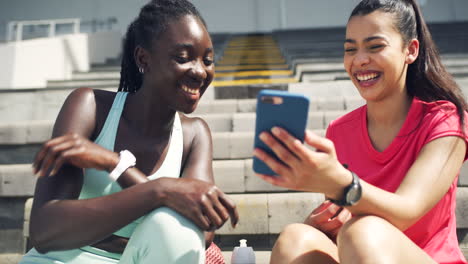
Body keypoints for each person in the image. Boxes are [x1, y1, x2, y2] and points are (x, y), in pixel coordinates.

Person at [19, 0, 238, 263]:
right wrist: (163, 192)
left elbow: (200, 230)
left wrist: (117, 164)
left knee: (176, 227)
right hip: (63, 259)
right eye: (183, 58)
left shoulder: (195, 135)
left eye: (208, 60)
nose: (200, 71)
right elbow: (45, 231)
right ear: (143, 59)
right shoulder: (90, 107)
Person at [253, 0, 468, 263]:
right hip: (361, 251)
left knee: (364, 231)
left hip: (424, 257)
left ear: (410, 50)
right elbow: (343, 216)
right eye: (350, 49)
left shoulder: (446, 119)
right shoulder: (339, 131)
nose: (360, 60)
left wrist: (342, 184)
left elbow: (406, 210)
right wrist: (323, 220)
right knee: (296, 238)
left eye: (375, 46)